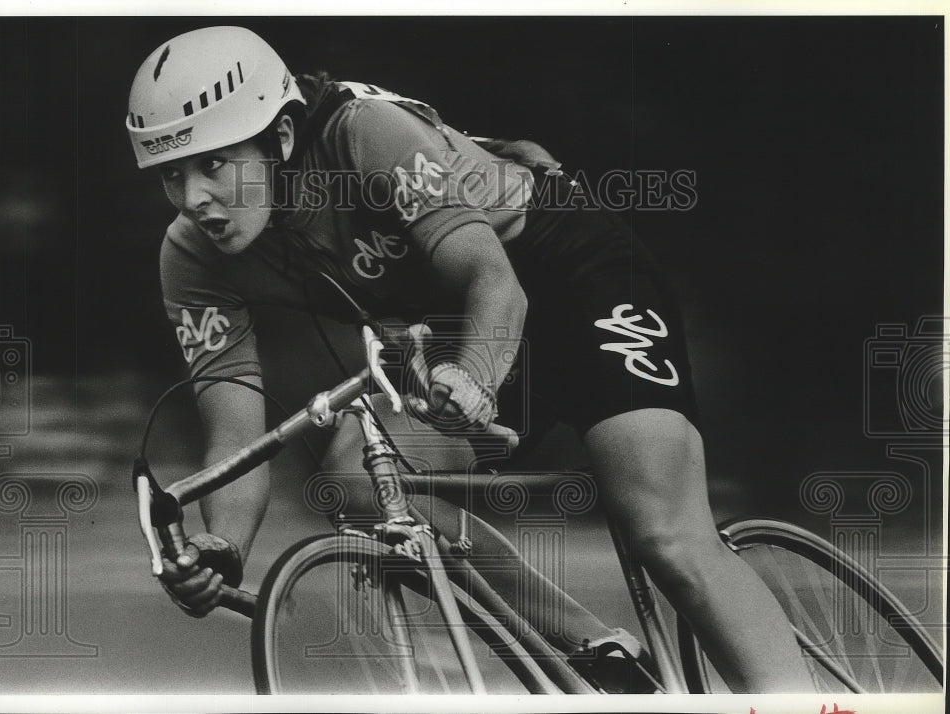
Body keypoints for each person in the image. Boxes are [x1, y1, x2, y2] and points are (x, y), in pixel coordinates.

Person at [126, 25, 812, 693]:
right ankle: (598, 652)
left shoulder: (363, 134)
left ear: (279, 136)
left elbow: (493, 279)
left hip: (568, 274)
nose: (195, 199)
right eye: (171, 175)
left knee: (664, 533)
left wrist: (475, 377)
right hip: (459, 329)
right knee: (357, 482)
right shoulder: (190, 257)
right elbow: (236, 437)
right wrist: (223, 551)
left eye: (214, 164)